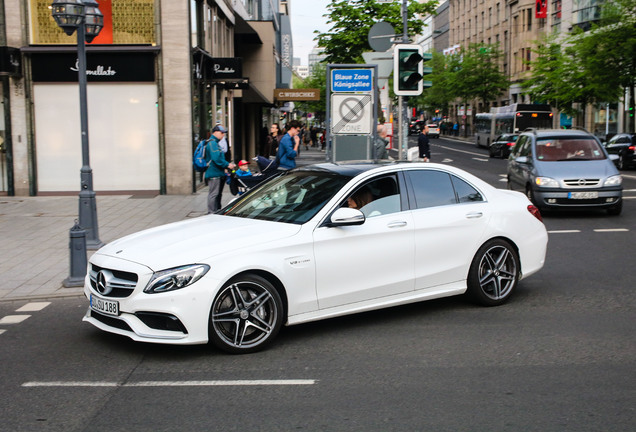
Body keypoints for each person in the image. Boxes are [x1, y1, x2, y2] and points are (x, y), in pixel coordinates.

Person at [205, 125, 236, 213]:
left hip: (216, 172)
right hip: (214, 173)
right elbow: (216, 158)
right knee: (213, 194)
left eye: (224, 133)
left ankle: (214, 211)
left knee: (215, 194)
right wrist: (227, 165)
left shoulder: (214, 142)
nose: (223, 135)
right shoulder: (213, 143)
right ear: (215, 132)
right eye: (221, 133)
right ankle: (211, 212)